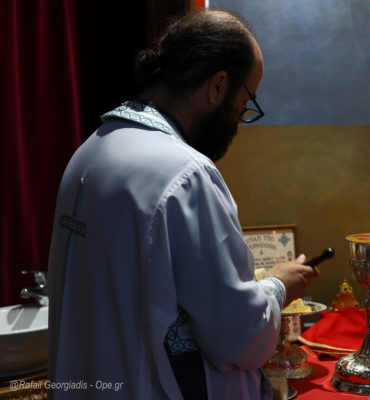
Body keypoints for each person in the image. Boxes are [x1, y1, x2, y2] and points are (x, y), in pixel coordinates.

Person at [47, 9, 319, 400]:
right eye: (244, 104)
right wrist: (278, 286)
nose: (239, 121)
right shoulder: (185, 174)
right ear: (218, 85)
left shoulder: (89, 153)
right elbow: (239, 338)